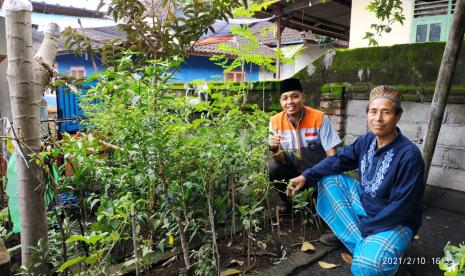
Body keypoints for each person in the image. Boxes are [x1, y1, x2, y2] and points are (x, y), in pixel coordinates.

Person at [289, 85, 426, 275]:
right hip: (367, 206)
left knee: (367, 266)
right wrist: (306, 175)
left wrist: (365, 227)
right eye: (373, 111)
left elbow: (402, 208)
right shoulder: (367, 140)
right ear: (368, 114)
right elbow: (338, 160)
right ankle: (369, 249)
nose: (378, 119)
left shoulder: (409, 155)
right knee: (328, 181)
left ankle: (367, 250)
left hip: (397, 220)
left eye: (386, 112)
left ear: (397, 116)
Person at [268, 78, 341, 215]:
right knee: (273, 168)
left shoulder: (319, 118)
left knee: (319, 211)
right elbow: (279, 159)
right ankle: (287, 202)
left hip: (317, 175)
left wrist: (316, 174)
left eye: (295, 96)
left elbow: (332, 156)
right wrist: (274, 148)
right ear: (281, 102)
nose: (290, 102)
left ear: (303, 98)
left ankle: (321, 200)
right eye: (285, 98)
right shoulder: (275, 121)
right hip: (293, 175)